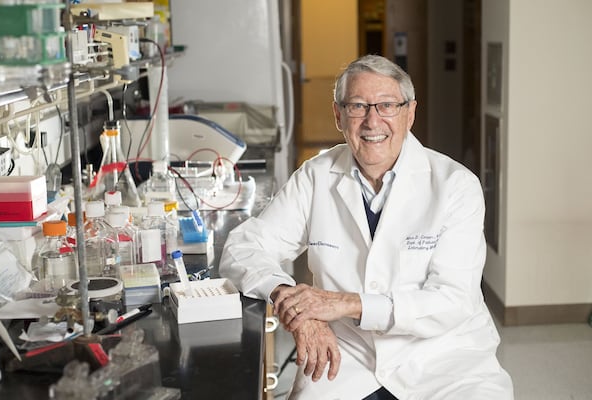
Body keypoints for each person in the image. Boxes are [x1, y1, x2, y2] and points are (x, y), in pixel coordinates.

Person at [219, 54, 514, 400]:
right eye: (358, 106)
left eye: (387, 105)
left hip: (444, 361)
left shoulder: (455, 185)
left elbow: (453, 301)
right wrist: (296, 306)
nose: (373, 121)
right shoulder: (316, 176)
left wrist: (345, 304)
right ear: (338, 115)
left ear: (410, 113)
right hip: (346, 357)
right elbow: (243, 249)